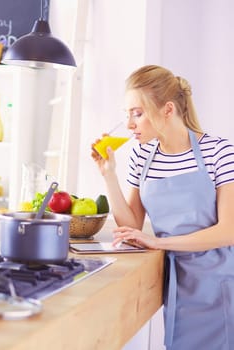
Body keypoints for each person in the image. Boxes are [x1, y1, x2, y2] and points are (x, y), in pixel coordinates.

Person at [91, 65, 234, 350]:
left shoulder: (219, 151)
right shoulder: (142, 156)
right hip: (175, 280)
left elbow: (228, 231)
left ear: (168, 109)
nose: (130, 124)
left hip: (219, 283)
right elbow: (131, 225)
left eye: (137, 113)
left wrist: (159, 241)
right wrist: (108, 174)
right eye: (127, 114)